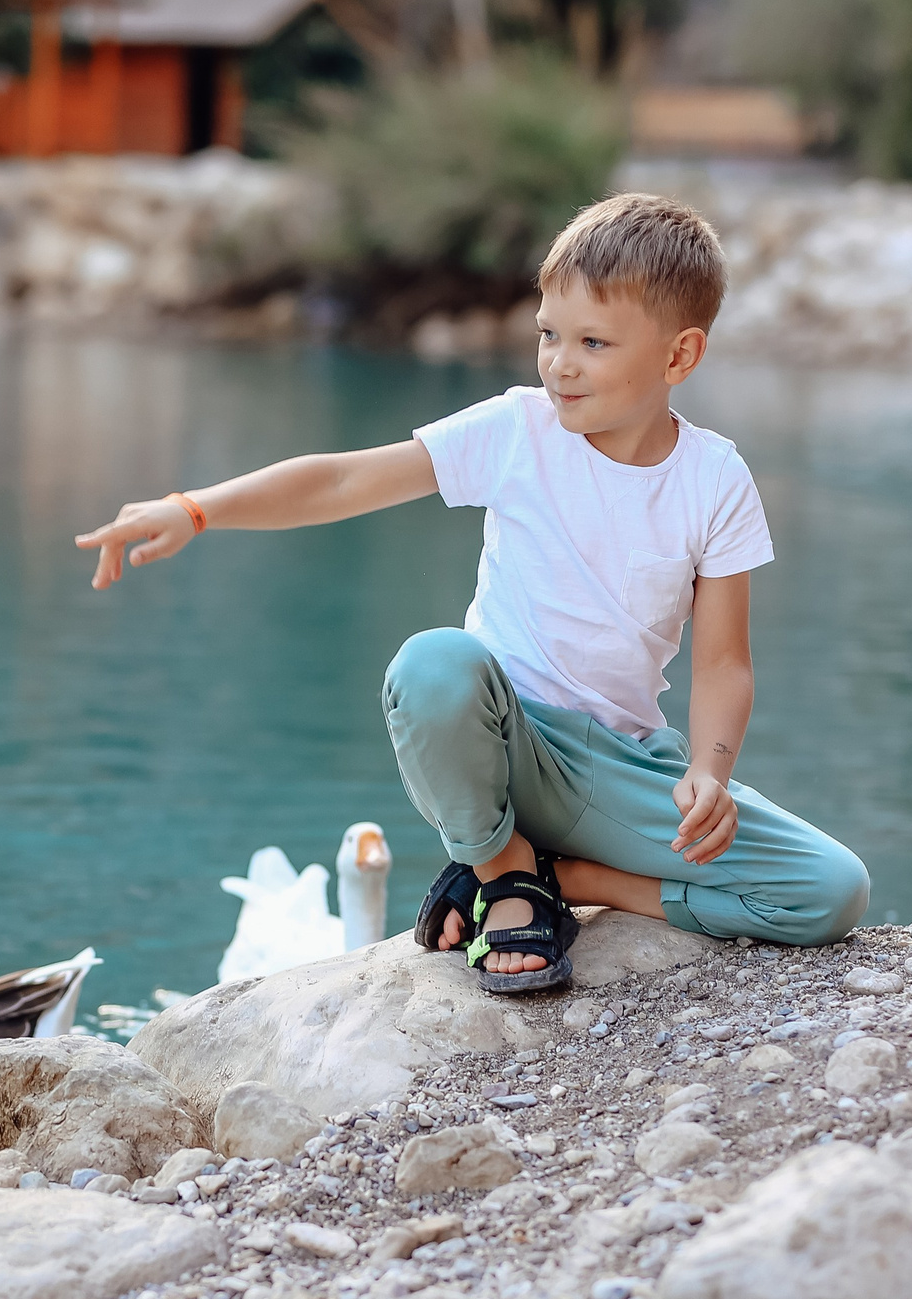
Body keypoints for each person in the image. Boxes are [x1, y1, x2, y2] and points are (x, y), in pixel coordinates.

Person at [75, 192, 870, 994]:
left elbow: (725, 661)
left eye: (593, 342)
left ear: (679, 356)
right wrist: (196, 508)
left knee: (830, 890)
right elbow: (347, 478)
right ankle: (501, 865)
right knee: (433, 666)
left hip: (621, 765)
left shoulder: (715, 479)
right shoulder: (517, 430)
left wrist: (710, 770)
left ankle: (569, 879)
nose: (559, 362)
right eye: (548, 334)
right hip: (502, 742)